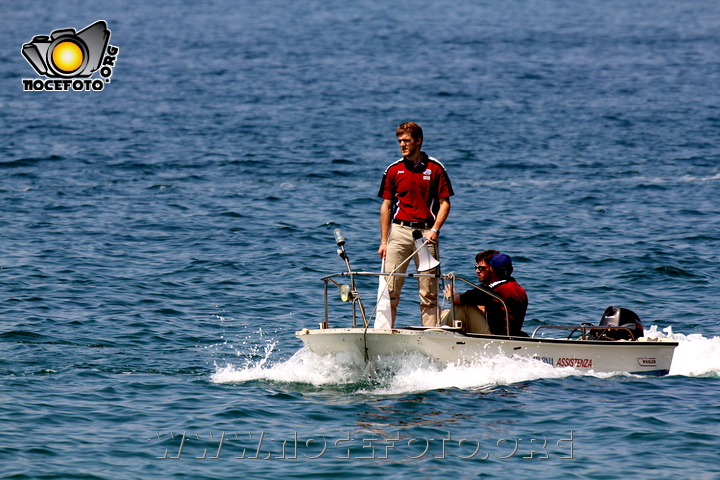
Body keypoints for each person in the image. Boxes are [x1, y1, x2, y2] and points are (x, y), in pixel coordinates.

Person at [377, 122, 454, 327]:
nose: (402, 144)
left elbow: (445, 203)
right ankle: (383, 332)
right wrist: (384, 241)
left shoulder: (435, 168)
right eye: (400, 141)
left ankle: (431, 333)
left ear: (418, 141)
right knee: (389, 288)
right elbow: (386, 206)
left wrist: (435, 230)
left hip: (426, 233)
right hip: (399, 231)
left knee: (429, 291)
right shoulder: (393, 170)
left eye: (406, 140)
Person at [442, 251, 528, 336]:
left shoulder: (494, 290)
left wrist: (450, 296)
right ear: (512, 269)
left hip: (496, 337)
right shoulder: (518, 288)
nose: (477, 271)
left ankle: (440, 335)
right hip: (510, 334)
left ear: (491, 269)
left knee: (463, 306)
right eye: (476, 267)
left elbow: (458, 300)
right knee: (449, 312)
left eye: (482, 268)